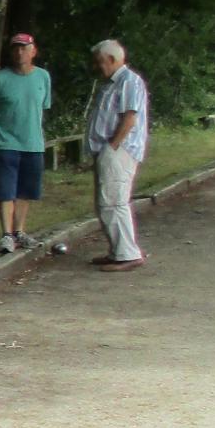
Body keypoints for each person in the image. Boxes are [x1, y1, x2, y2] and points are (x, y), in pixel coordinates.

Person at [0, 33, 53, 252]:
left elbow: (44, 107)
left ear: (34, 51)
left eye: (24, 47)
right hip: (6, 142)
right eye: (16, 48)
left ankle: (19, 230)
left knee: (26, 190)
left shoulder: (43, 77)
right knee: (5, 190)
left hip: (33, 142)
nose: (20, 52)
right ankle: (6, 234)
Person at [86, 39, 150, 272]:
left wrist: (112, 146)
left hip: (119, 150)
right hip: (109, 149)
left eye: (99, 62)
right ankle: (117, 250)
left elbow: (129, 117)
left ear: (111, 59)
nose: (97, 66)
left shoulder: (129, 81)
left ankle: (126, 254)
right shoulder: (112, 83)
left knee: (113, 201)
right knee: (106, 201)